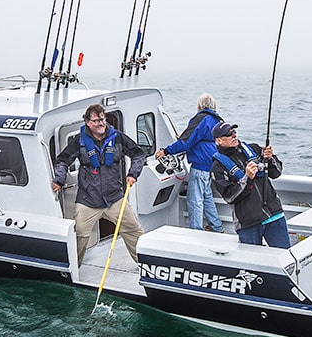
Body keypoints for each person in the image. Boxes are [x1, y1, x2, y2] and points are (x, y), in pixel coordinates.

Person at [52, 104, 145, 264]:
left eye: (102, 119)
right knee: (79, 236)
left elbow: (139, 155)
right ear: (88, 122)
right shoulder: (78, 141)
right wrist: (59, 180)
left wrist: (133, 174)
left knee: (134, 231)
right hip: (88, 200)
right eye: (96, 121)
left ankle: (146, 267)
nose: (101, 123)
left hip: (114, 198)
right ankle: (73, 268)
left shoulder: (118, 137)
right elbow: (62, 161)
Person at [209, 121, 290, 248]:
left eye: (234, 132)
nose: (234, 135)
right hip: (248, 223)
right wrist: (247, 178)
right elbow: (230, 196)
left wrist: (270, 159)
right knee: (253, 262)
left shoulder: (253, 149)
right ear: (219, 140)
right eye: (229, 134)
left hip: (274, 214)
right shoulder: (217, 167)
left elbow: (276, 173)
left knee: (284, 255)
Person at [155, 93, 224, 232]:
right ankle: (217, 227)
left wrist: (166, 151)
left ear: (199, 105)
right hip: (211, 163)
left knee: (195, 200)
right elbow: (202, 138)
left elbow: (186, 143)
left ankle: (196, 231)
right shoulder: (216, 120)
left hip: (199, 164)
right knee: (207, 197)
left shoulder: (200, 118)